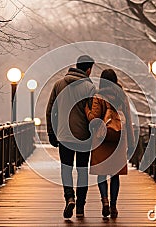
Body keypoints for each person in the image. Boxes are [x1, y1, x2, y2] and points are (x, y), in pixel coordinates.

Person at [46, 55, 96, 218]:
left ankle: (69, 197)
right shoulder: (89, 87)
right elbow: (92, 114)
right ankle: (80, 206)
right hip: (83, 136)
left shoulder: (58, 84)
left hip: (64, 135)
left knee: (66, 169)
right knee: (82, 171)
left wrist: (51, 132)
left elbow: (50, 111)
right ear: (88, 69)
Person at [85, 69, 135, 218]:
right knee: (115, 175)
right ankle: (113, 206)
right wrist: (131, 142)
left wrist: (87, 110)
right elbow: (129, 119)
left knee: (102, 174)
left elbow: (94, 119)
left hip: (102, 140)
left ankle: (105, 201)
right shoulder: (122, 96)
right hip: (118, 139)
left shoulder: (98, 96)